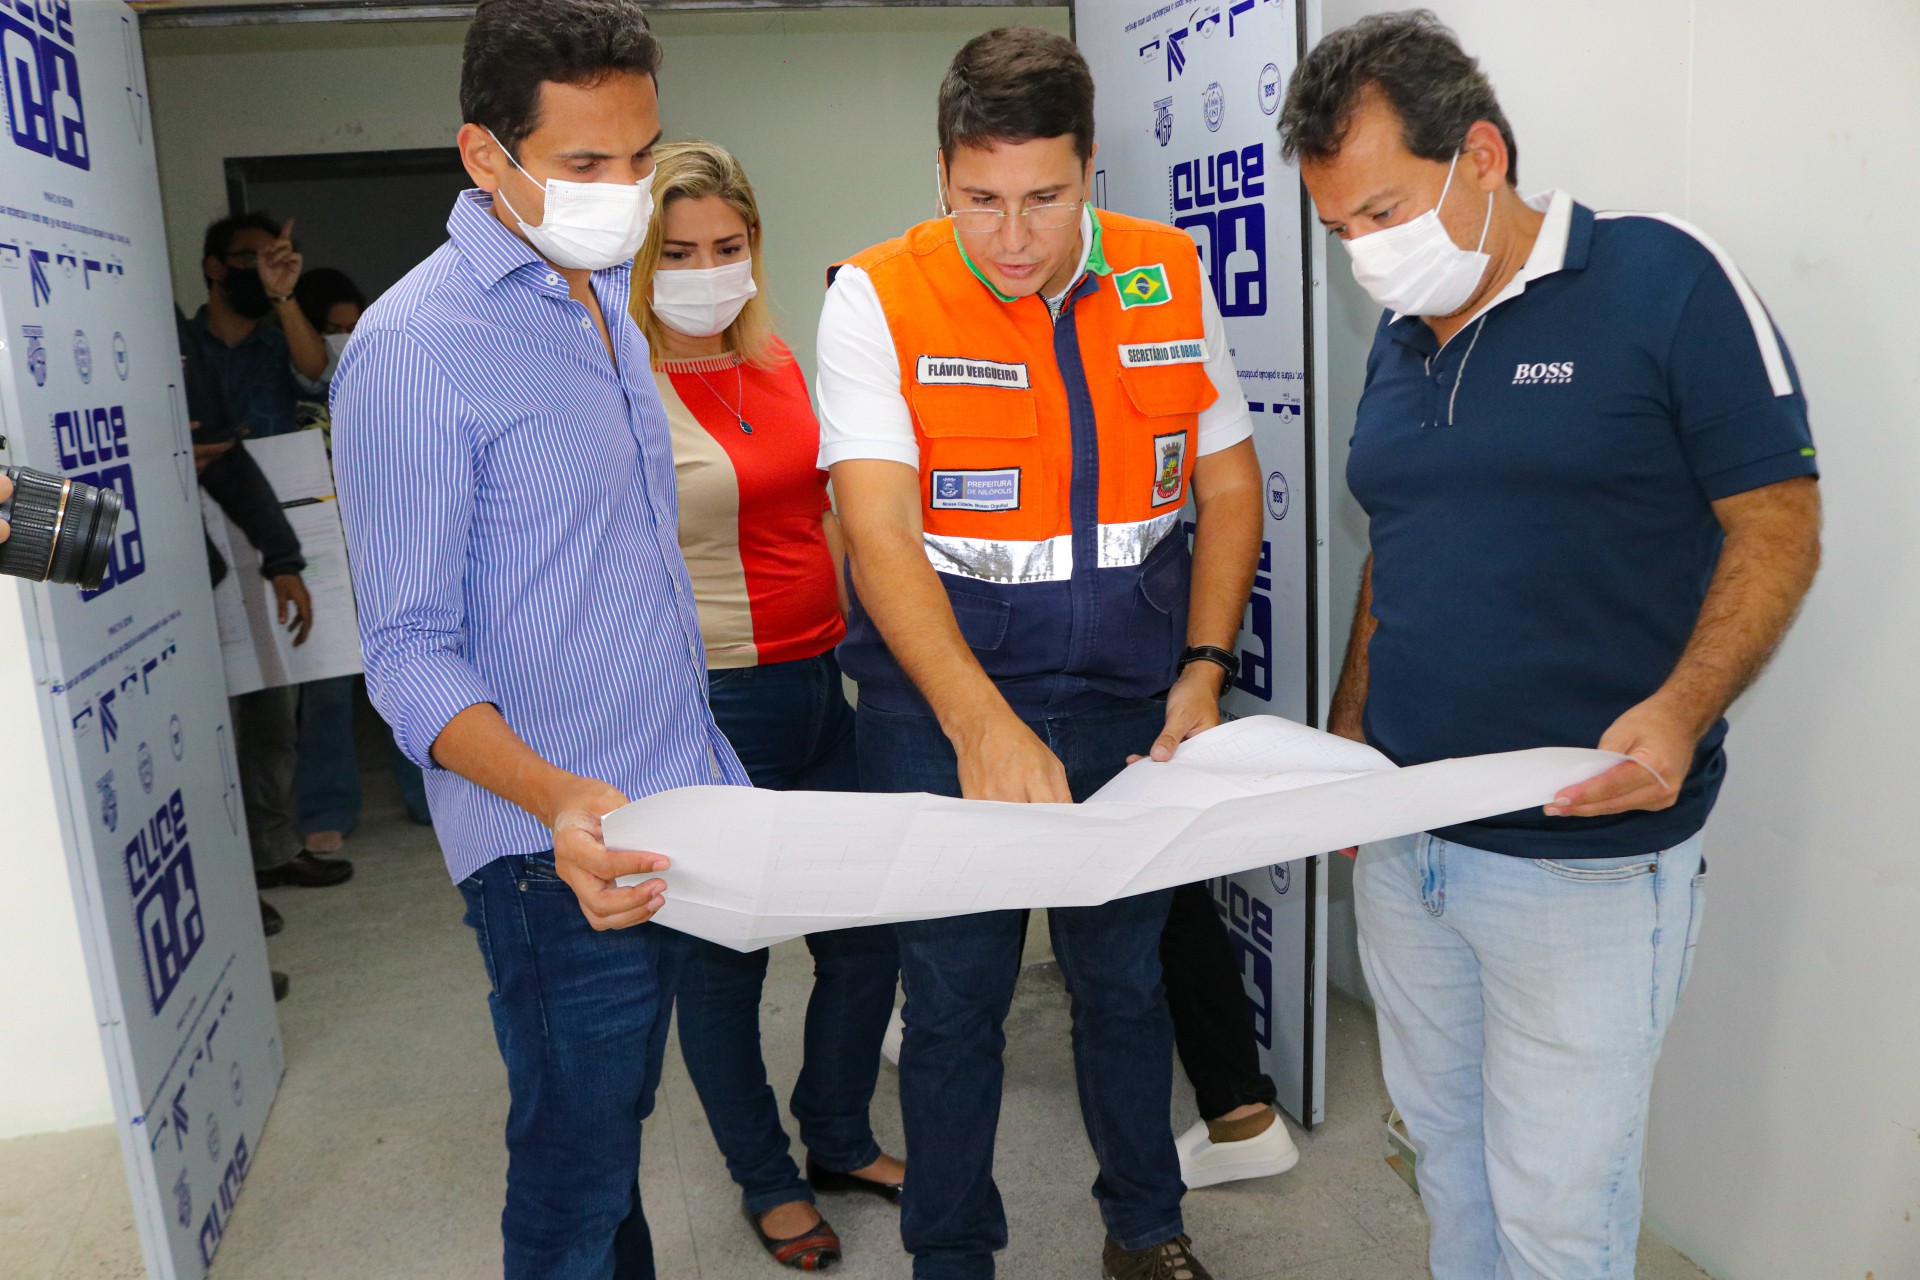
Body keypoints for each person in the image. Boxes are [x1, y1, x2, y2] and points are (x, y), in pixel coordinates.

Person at [1280, 15, 1822, 1279]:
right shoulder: (1406, 343)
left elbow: (1778, 522)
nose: (1364, 253)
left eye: (1382, 211)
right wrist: (1354, 733)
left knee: (1558, 1209)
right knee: (1445, 1162)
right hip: (1412, 845)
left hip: (1581, 863)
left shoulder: (1662, 281)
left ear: (1481, 154)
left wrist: (1682, 710)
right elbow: (1398, 552)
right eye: (1339, 230)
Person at [819, 28, 1265, 1280]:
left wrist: (1203, 666)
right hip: (938, 707)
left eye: (1045, 199)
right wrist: (974, 719)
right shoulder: (877, 294)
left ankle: (1145, 1226)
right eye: (980, 201)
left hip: (1127, 696)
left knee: (1122, 984)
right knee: (956, 1002)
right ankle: (951, 1254)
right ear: (942, 176)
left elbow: (1228, 487)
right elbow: (878, 529)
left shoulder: (1164, 272)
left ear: (1091, 171)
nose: (1011, 237)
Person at [330, 4, 749, 1277]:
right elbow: (407, 654)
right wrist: (563, 797)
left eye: (642, 156)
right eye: (585, 165)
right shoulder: (415, 348)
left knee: (611, 1144)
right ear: (484, 156)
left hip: (666, 801)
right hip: (547, 851)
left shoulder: (599, 311)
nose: (625, 194)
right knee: (572, 1183)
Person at [629, 138, 904, 1272]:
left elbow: (832, 516)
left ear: (754, 247)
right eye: (678, 252)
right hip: (709, 701)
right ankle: (764, 1174)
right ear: (642, 264)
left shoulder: (787, 362)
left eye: (726, 247)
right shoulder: (620, 386)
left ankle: (837, 1131)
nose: (706, 270)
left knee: (866, 933)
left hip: (819, 678)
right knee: (724, 959)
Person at [289, 267, 435, 834]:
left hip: (386, 544)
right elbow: (312, 377)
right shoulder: (288, 385)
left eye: (354, 326)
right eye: (331, 327)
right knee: (326, 690)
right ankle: (326, 809)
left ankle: (428, 801)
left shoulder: (386, 370)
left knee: (412, 670)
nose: (344, 338)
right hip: (317, 550)